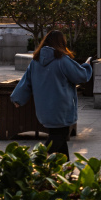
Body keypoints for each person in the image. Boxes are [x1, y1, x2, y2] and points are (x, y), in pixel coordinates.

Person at [10, 30, 93, 159]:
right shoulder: (62, 60)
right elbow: (81, 76)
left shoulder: (35, 62)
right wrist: (86, 67)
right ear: (61, 43)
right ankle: (36, 160)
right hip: (61, 107)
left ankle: (64, 168)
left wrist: (17, 99)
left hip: (44, 108)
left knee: (58, 137)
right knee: (59, 136)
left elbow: (26, 81)